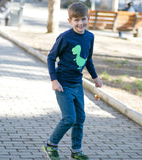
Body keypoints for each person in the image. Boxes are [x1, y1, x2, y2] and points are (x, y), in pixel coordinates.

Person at [42, 2, 102, 160]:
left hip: (77, 84)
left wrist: (95, 77)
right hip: (63, 84)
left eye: (83, 19)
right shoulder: (65, 37)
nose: (80, 23)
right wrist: (54, 80)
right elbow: (50, 57)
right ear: (70, 21)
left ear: (88, 18)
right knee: (69, 118)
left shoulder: (90, 37)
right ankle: (50, 145)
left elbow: (88, 59)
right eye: (76, 20)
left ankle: (76, 151)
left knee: (80, 118)